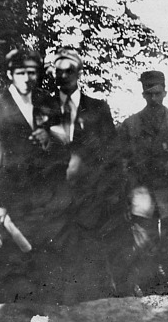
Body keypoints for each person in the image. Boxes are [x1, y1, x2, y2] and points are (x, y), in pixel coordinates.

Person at [0, 49, 70, 302]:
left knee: (48, 261)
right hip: (14, 203)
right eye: (21, 73)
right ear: (10, 75)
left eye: (32, 73)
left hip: (48, 201)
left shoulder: (48, 104)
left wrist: (50, 140)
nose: (27, 79)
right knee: (17, 263)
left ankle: (50, 321)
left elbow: (66, 147)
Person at [50, 47, 126, 300]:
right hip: (57, 199)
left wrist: (108, 194)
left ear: (80, 73)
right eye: (58, 71)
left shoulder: (97, 109)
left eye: (69, 71)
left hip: (91, 199)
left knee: (92, 256)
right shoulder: (44, 109)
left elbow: (113, 155)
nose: (63, 76)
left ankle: (96, 308)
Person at [117, 70, 168, 293]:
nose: (153, 99)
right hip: (142, 195)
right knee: (145, 247)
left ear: (165, 93)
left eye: (157, 93)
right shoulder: (130, 125)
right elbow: (122, 162)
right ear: (143, 95)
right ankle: (150, 290)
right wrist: (128, 191)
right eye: (148, 94)